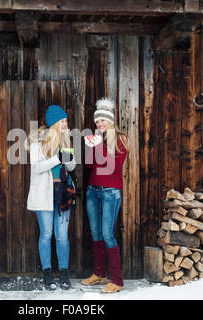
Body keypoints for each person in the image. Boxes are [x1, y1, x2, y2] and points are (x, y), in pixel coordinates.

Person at [26, 105, 76, 290]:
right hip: (44, 195)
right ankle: (48, 275)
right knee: (46, 234)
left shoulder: (66, 141)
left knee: (62, 236)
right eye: (63, 121)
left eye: (66, 121)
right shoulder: (37, 143)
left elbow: (71, 168)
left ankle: (64, 274)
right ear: (55, 123)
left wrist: (67, 153)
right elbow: (37, 167)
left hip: (63, 195)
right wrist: (57, 158)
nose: (66, 124)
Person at [82, 97, 128, 293]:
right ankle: (100, 274)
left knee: (108, 234)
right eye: (97, 122)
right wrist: (91, 147)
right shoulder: (96, 139)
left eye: (102, 121)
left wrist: (99, 145)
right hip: (93, 190)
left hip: (110, 192)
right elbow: (90, 165)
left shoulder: (121, 139)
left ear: (110, 120)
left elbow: (113, 167)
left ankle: (117, 280)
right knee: (96, 233)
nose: (99, 124)